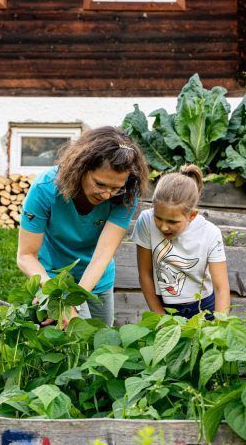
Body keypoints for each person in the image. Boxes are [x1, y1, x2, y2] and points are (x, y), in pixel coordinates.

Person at [17, 126, 148, 326]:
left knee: (101, 338)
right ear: (81, 169)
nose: (107, 195)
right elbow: (26, 256)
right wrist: (54, 294)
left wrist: (75, 302)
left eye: (116, 188)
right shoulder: (45, 188)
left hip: (97, 277)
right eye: (100, 184)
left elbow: (102, 255)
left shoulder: (127, 195)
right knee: (66, 338)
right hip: (53, 277)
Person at [131, 164, 230, 319]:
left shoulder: (210, 233)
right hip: (165, 307)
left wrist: (220, 326)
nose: (163, 227)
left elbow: (221, 287)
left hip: (204, 308)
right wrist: (160, 318)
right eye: (158, 218)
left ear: (192, 215)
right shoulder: (146, 221)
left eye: (172, 222)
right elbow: (145, 274)